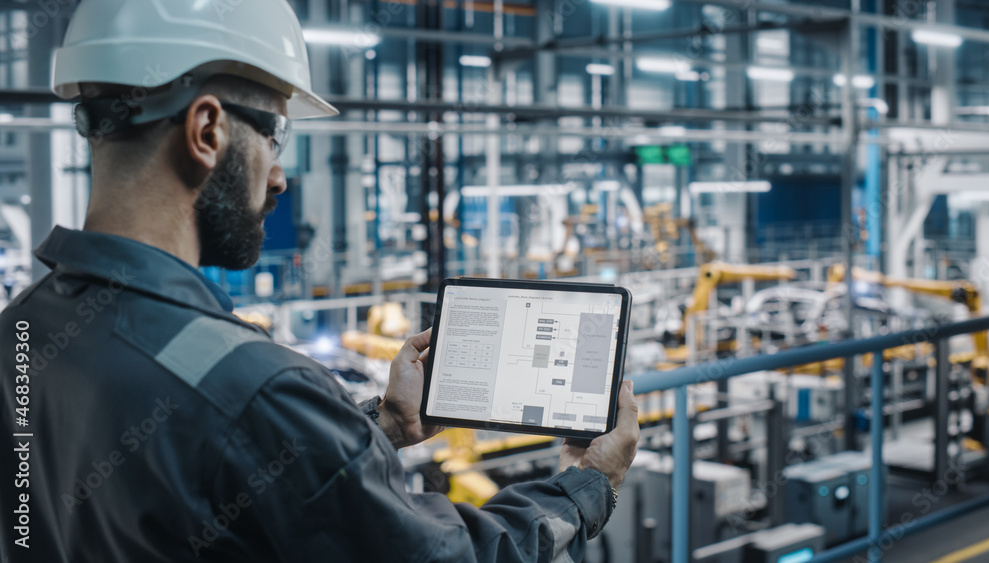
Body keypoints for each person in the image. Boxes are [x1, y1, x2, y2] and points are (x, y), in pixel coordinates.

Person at [0, 1, 640, 561]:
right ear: (206, 131)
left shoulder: (23, 332)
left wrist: (385, 423)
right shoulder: (255, 386)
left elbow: (198, 471)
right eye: (275, 137)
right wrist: (586, 482)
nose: (278, 178)